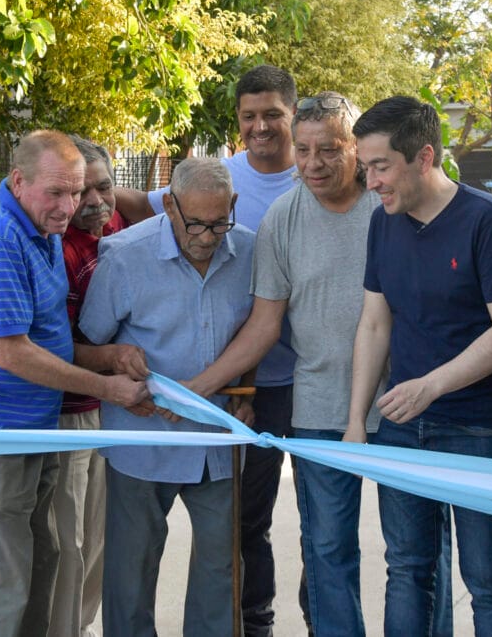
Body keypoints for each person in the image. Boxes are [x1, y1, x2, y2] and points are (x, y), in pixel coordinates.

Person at [0, 130, 153, 636]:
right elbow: (13, 353)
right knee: (1, 578)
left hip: (36, 425)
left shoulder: (40, 226)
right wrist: (108, 386)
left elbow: (45, 339)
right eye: (56, 192)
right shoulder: (0, 237)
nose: (69, 206)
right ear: (18, 180)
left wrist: (109, 356)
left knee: (42, 562)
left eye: (75, 192)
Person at [185, 92, 383, 636]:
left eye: (330, 149)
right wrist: (198, 388)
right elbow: (264, 325)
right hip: (318, 406)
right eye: (304, 150)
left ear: (357, 150)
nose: (313, 164)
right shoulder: (282, 217)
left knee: (413, 556)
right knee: (327, 547)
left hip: (401, 406)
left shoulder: (388, 203)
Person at [118, 64, 301, 635]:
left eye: (272, 113)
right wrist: (88, 199)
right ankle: (249, 621)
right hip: (205, 401)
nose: (261, 125)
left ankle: (260, 621)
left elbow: (263, 319)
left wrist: (228, 392)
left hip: (278, 388)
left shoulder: (308, 184)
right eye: (250, 115)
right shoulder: (202, 190)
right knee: (212, 531)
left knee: (268, 527)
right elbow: (134, 204)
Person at [347, 96, 492, 636]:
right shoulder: (384, 223)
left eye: (381, 167)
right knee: (406, 570)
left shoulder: (488, 222)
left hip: (479, 428)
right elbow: (375, 324)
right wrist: (358, 422)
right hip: (401, 429)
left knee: (488, 576)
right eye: (366, 168)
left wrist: (433, 385)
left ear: (424, 157)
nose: (371, 181)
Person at [79, 157, 254, 636]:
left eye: (219, 222)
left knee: (221, 569)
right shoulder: (123, 255)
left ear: (233, 206)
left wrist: (247, 391)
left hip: (217, 440)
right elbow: (86, 346)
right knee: (131, 574)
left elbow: (254, 335)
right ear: (170, 206)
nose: (207, 236)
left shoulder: (251, 252)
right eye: (195, 223)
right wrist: (115, 358)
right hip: (141, 440)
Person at [49, 136, 127, 637]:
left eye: (104, 187)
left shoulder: (118, 224)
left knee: (99, 540)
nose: (96, 203)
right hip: (67, 412)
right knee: (67, 544)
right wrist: (113, 361)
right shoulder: (56, 246)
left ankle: (81, 626)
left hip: (111, 411)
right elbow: (52, 349)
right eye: (83, 193)